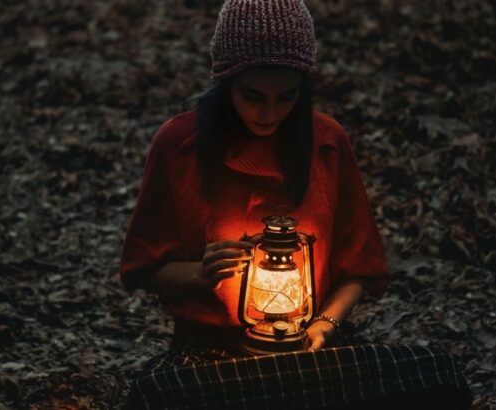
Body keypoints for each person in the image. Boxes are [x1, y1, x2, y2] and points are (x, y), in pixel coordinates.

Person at [120, 1, 472, 408]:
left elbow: (359, 268)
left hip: (310, 346)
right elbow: (144, 268)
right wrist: (201, 273)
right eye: (252, 96)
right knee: (156, 399)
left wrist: (325, 323)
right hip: (212, 355)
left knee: (436, 373)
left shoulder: (326, 143)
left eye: (286, 98)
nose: (269, 114)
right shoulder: (179, 146)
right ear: (225, 82)